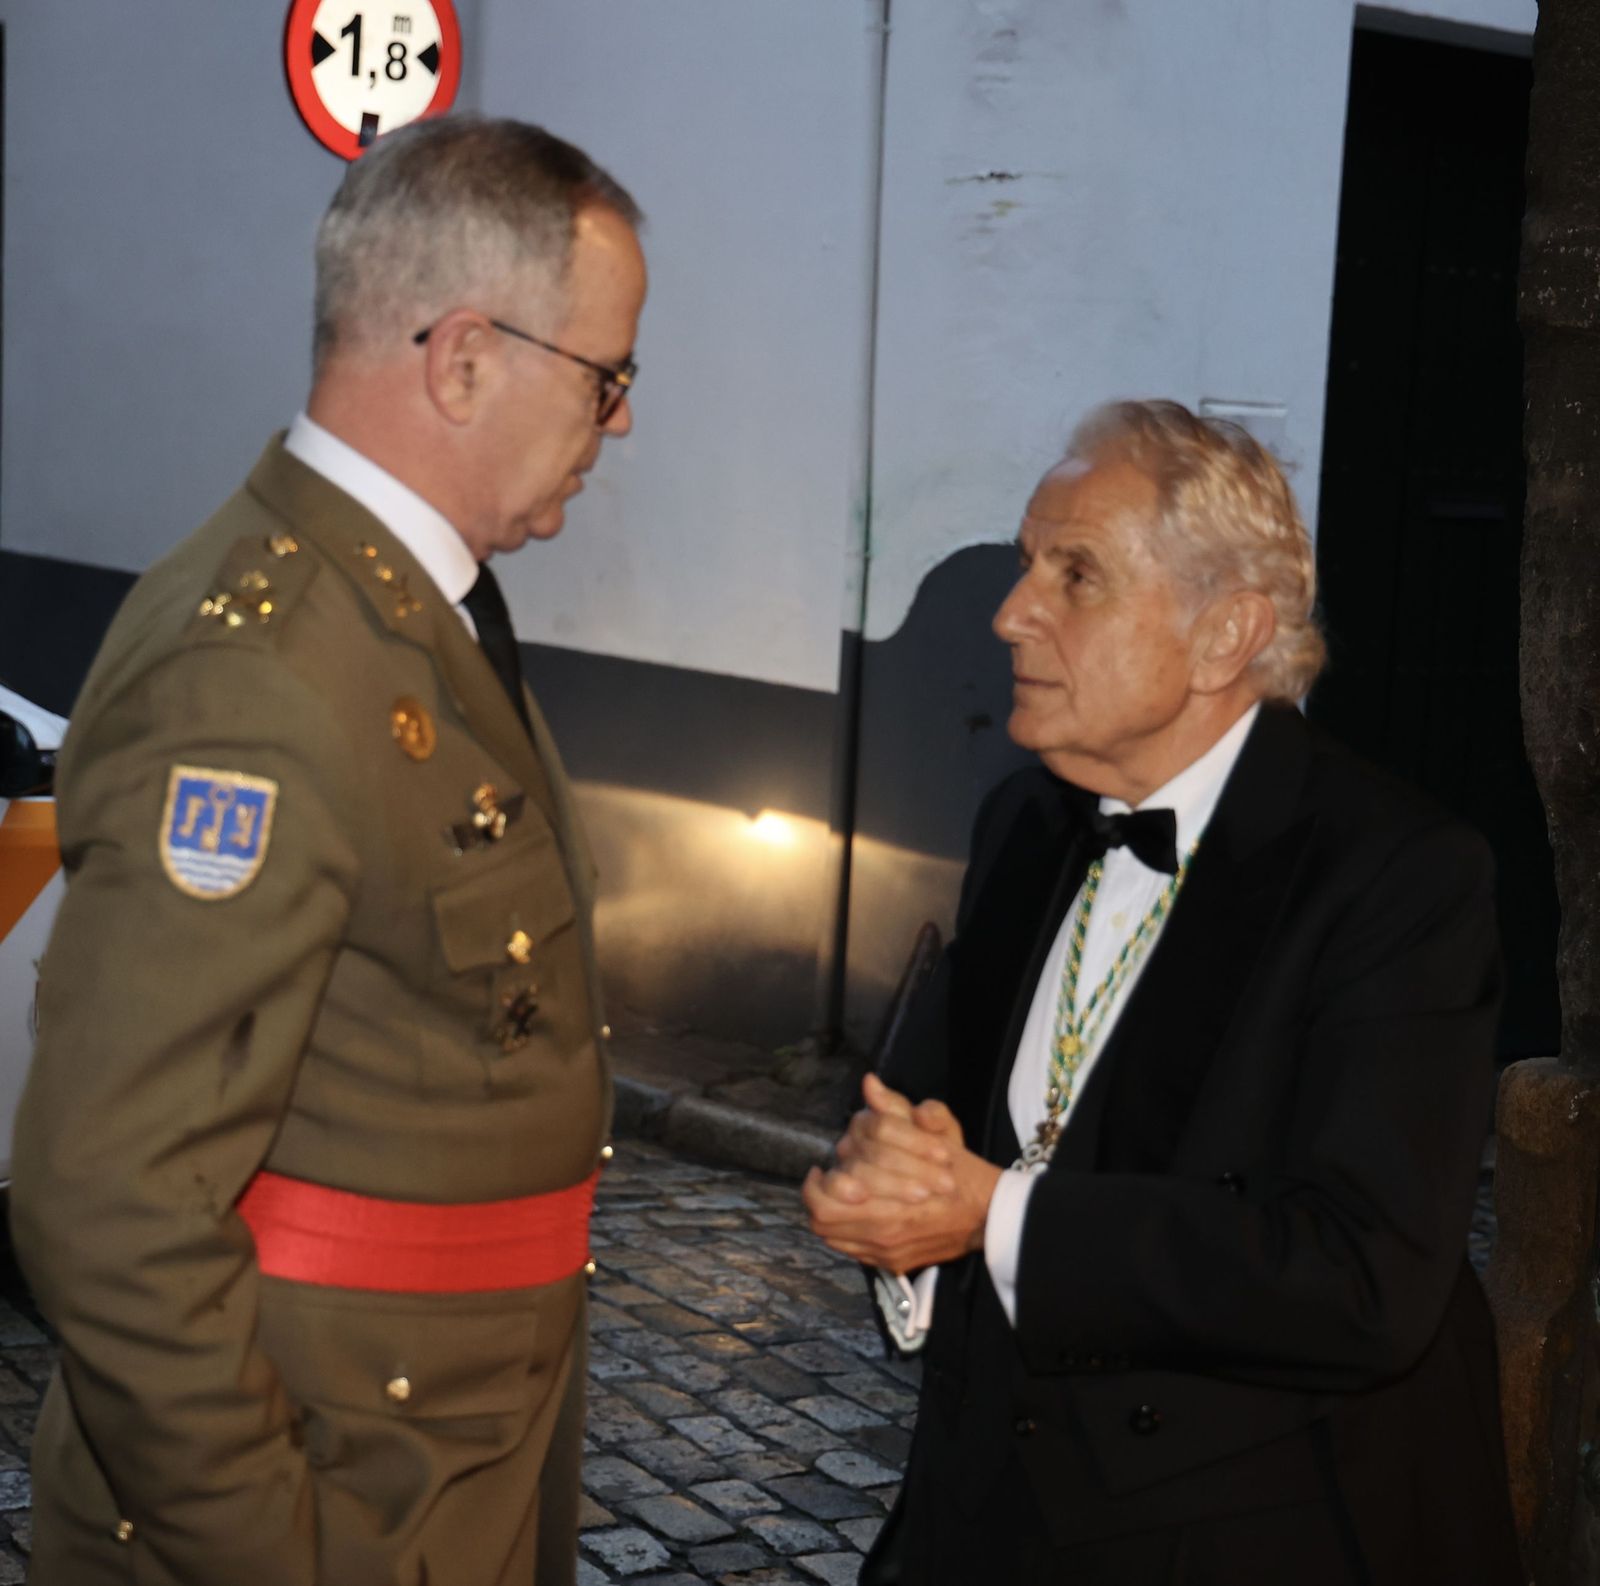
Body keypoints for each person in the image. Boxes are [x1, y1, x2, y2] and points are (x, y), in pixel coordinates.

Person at [10, 115, 647, 1586]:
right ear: (466, 357)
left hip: (435, 1455)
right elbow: (112, 1199)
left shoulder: (410, 619)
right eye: (606, 377)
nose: (619, 424)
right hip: (334, 1489)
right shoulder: (264, 674)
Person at [805, 400, 1522, 1585]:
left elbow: (1362, 1276)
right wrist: (897, 1215)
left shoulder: (1398, 874)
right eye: (1028, 560)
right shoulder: (1025, 822)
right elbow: (939, 1132)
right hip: (977, 1516)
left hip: (1242, 1530)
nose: (1009, 611)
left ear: (1222, 634)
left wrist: (990, 1214)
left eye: (1072, 573)